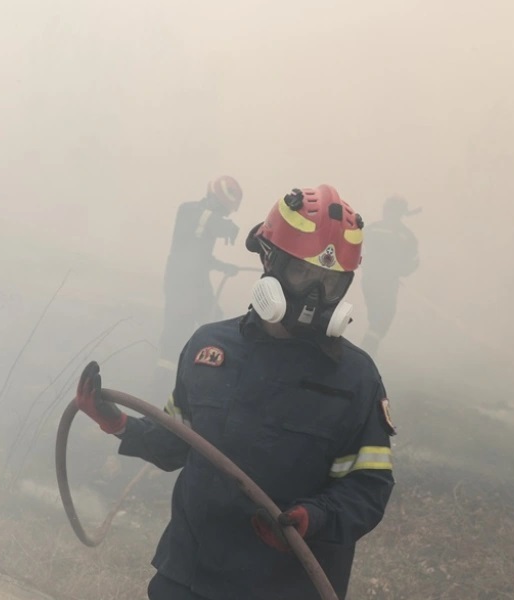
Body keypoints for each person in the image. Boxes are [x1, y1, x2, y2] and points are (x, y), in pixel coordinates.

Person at [76, 184, 397, 600]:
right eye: (303, 274)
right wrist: (119, 425)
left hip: (287, 588)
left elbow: (368, 488)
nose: (316, 296)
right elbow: (179, 443)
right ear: (270, 261)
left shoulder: (356, 379)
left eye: (331, 284)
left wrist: (313, 519)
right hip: (189, 577)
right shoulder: (209, 350)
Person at [154, 176, 244, 395]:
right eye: (223, 210)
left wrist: (224, 266)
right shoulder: (189, 211)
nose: (224, 215)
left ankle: (212, 378)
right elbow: (204, 219)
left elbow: (200, 255)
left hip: (198, 284)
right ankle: (161, 386)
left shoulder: (205, 222)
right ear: (213, 199)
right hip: (180, 284)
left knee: (216, 326)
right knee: (176, 332)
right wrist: (223, 224)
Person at [359, 194, 420, 358]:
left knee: (375, 316)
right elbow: (413, 263)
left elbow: (357, 248)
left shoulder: (371, 228)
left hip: (368, 280)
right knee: (383, 318)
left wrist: (366, 264)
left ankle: (366, 351)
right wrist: (398, 271)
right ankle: (366, 353)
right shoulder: (406, 235)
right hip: (387, 284)